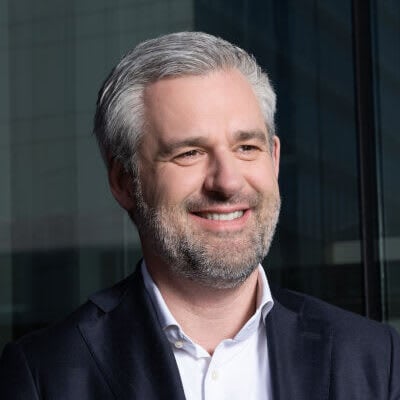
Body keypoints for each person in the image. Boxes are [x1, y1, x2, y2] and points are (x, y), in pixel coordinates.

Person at [0, 31, 399, 400]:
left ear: (274, 159)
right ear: (125, 182)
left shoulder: (377, 360)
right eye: (189, 153)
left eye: (247, 148)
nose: (228, 182)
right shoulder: (44, 376)